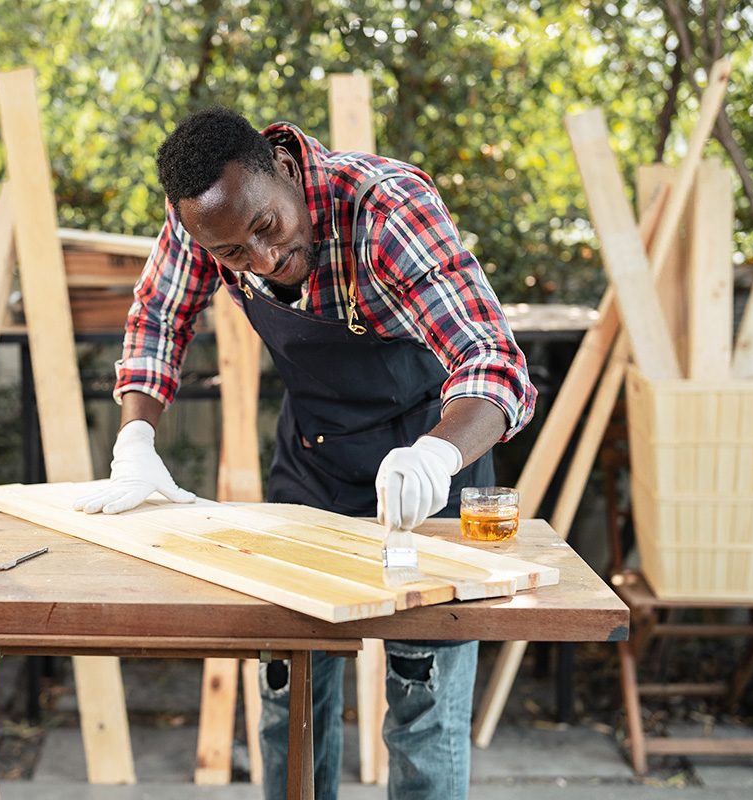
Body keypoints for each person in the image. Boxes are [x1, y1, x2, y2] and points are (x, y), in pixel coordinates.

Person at [75, 107, 536, 800]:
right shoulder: (206, 218)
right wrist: (135, 436)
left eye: (267, 228)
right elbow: (161, 317)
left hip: (430, 465)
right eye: (234, 255)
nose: (261, 260)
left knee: (422, 705)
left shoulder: (385, 209)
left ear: (285, 173)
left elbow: (493, 361)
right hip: (312, 468)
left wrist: (436, 458)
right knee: (288, 693)